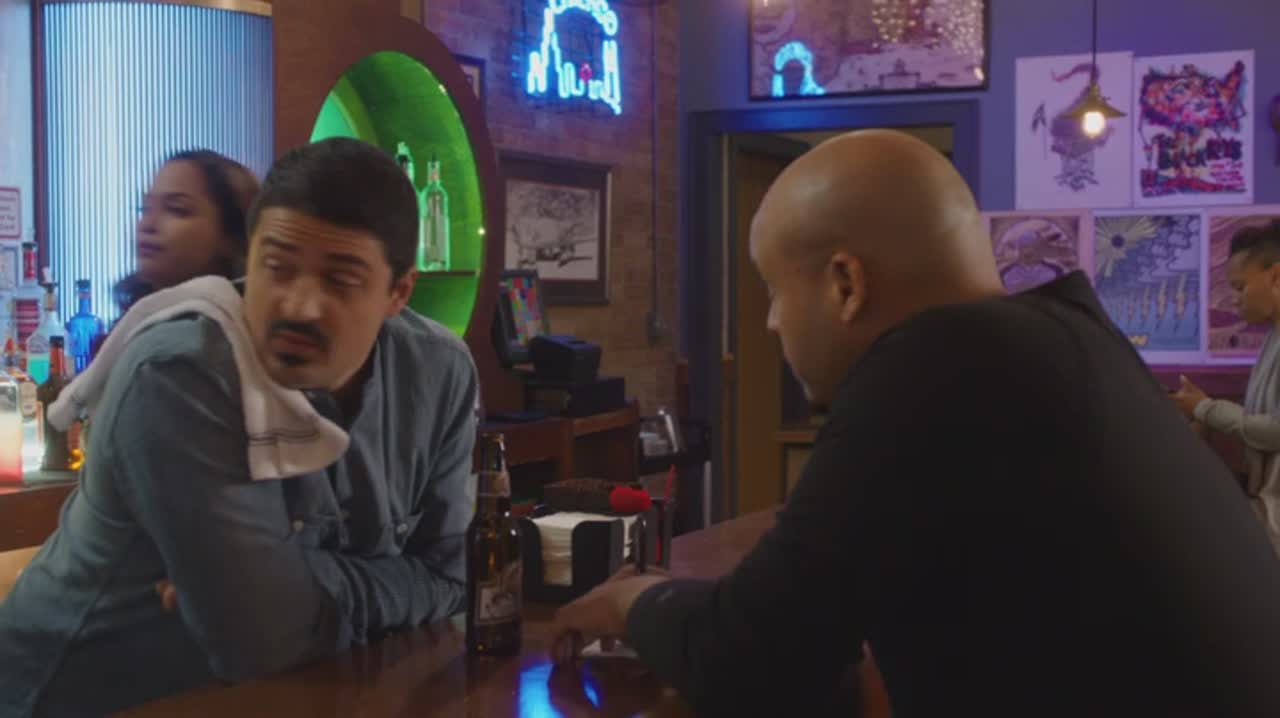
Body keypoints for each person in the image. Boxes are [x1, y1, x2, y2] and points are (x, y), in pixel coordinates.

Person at [551, 130, 1280, 717]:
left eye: (774, 290)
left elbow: (752, 661)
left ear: (846, 283)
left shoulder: (938, 362)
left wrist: (634, 599)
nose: (771, 321)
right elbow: (810, 627)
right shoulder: (1067, 339)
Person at [0, 138, 479, 716]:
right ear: (249, 259)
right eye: (278, 267)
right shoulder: (183, 372)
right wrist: (335, 594)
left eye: (340, 280)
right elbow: (265, 643)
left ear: (399, 291)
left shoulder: (439, 373)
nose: (299, 306)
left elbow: (454, 579)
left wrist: (298, 580)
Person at [1173, 219, 1280, 551]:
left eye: (1239, 287)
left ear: (1276, 276)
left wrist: (1206, 409)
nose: (1234, 300)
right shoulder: (1273, 336)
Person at [118, 149, 260, 315]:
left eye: (176, 209)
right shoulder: (142, 312)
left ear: (232, 236)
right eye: (145, 209)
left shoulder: (208, 323)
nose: (147, 225)